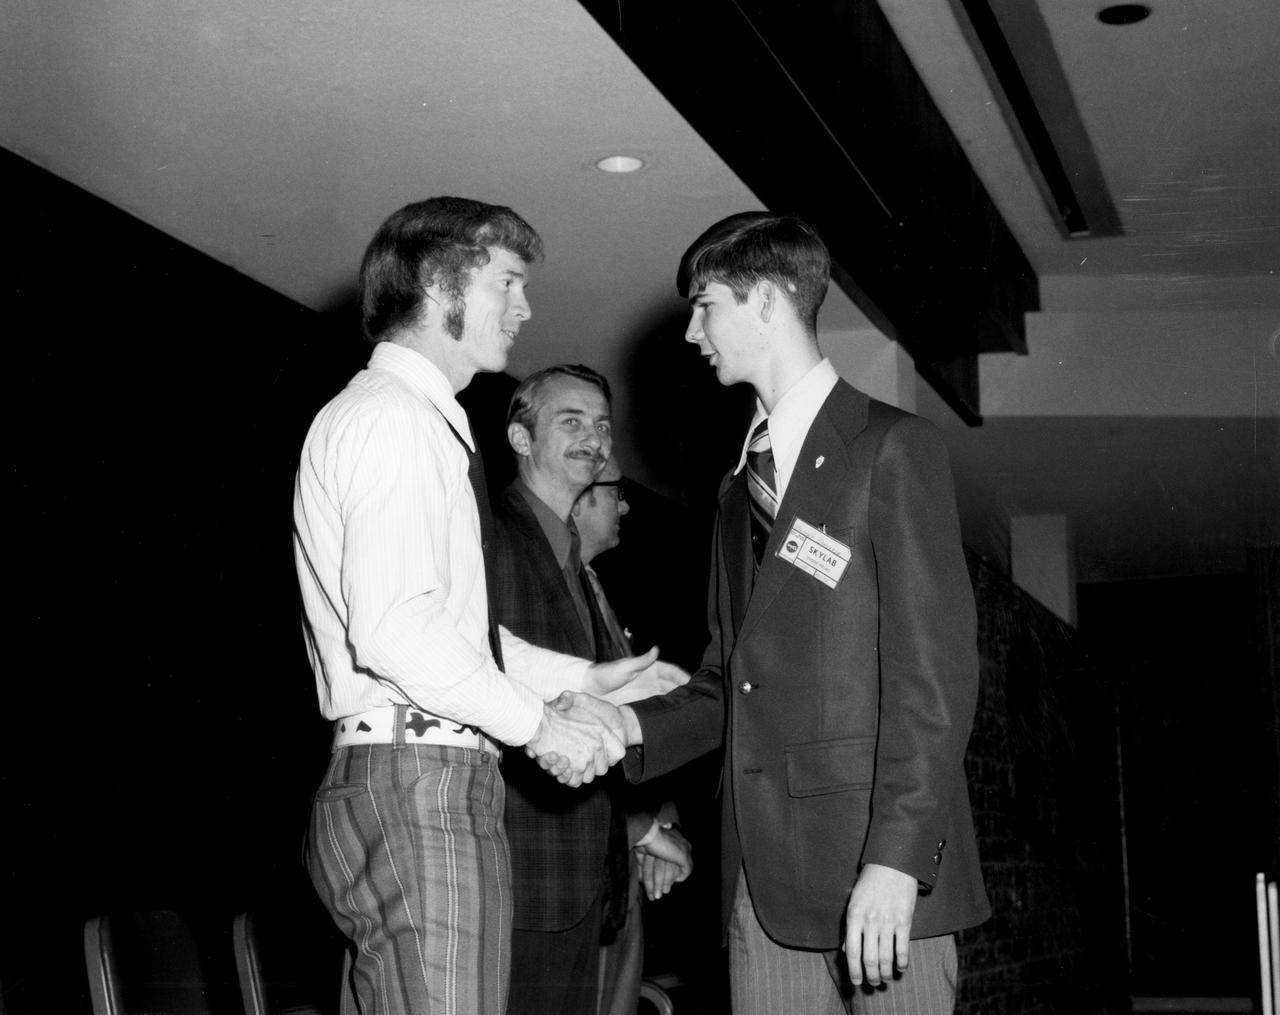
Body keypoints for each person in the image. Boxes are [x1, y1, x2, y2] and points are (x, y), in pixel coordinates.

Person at [560, 211, 989, 1013]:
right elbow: (731, 679)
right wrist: (628, 726)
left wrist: (896, 862)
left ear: (766, 301)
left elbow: (935, 682)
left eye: (706, 303)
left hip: (881, 877)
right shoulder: (732, 496)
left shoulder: (891, 448)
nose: (693, 331)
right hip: (759, 890)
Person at [292, 198, 681, 1015]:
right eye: (508, 281)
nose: (525, 307)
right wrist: (540, 725)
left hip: (417, 774)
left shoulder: (416, 423)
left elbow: (459, 635)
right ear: (440, 283)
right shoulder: (393, 419)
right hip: (419, 784)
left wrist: (590, 676)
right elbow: (397, 630)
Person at [488, 368, 690, 1014]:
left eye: (602, 424)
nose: (595, 437)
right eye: (570, 421)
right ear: (520, 436)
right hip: (524, 868)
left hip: (584, 878)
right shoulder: (492, 538)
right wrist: (640, 826)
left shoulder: (573, 560)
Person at [572, 456, 693, 1015]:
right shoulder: (544, 587)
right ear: (580, 493)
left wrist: (659, 821)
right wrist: (644, 828)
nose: (624, 505)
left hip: (617, 874)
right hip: (571, 874)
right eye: (616, 491)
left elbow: (633, 722)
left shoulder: (596, 586)